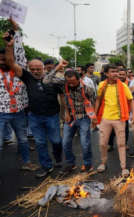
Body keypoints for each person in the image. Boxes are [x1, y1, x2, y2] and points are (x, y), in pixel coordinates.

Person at [5, 34, 64, 178]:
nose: (36, 72)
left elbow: (62, 96)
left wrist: (65, 113)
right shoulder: (26, 76)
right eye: (33, 69)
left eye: (38, 69)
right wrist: (9, 46)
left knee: (56, 141)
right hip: (34, 116)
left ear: (44, 67)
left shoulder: (53, 79)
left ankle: (57, 154)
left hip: (52, 116)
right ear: (29, 69)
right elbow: (11, 64)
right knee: (41, 143)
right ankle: (46, 165)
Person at [44, 60, 97, 175]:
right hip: (70, 117)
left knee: (85, 143)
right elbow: (46, 80)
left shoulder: (87, 88)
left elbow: (93, 104)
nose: (71, 85)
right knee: (65, 142)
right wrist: (58, 67)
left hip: (84, 118)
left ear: (79, 79)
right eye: (69, 83)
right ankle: (71, 163)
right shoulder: (63, 83)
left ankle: (88, 164)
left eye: (74, 83)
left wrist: (93, 119)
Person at [0, 18, 39, 174]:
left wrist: (15, 28)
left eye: (6, 59)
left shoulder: (20, 71)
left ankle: (26, 163)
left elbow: (19, 51)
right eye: (1, 59)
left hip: (19, 113)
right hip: (1, 113)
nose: (4, 61)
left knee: (23, 140)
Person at [94, 64, 134, 178]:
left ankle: (123, 167)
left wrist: (133, 115)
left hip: (119, 119)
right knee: (102, 143)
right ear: (106, 74)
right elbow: (98, 100)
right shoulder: (102, 85)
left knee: (121, 144)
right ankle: (103, 163)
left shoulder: (123, 86)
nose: (116, 73)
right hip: (105, 119)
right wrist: (94, 115)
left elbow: (131, 100)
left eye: (116, 71)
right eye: (113, 71)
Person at [106, 68, 132, 151]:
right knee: (111, 130)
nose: (121, 76)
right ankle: (110, 144)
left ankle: (124, 144)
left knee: (125, 129)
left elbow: (132, 99)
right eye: (120, 74)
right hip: (112, 111)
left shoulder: (130, 84)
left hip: (125, 111)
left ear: (126, 76)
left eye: (123, 75)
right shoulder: (110, 84)